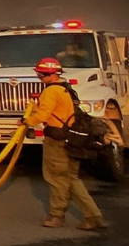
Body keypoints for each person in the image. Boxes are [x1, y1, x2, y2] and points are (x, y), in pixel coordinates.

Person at [23, 57, 106, 230]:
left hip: (57, 141)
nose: (40, 77)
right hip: (72, 140)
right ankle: (93, 216)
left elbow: (43, 115)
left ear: (49, 75)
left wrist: (26, 121)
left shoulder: (51, 91)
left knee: (56, 179)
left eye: (41, 74)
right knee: (72, 179)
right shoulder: (67, 89)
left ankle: (56, 216)